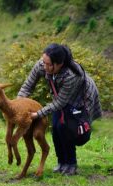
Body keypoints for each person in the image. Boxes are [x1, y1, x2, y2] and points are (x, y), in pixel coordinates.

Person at [17, 43, 102, 175]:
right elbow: (28, 85)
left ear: (60, 63)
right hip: (60, 97)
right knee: (56, 128)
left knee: (66, 127)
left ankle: (71, 163)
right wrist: (19, 104)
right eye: (43, 62)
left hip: (80, 99)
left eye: (49, 64)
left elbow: (60, 103)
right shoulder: (43, 64)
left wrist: (36, 114)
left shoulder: (72, 75)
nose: (44, 67)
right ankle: (61, 162)